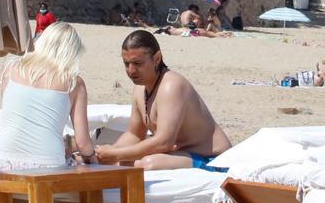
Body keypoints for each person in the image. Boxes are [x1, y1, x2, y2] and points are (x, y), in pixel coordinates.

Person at [95, 31, 232, 171]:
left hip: (215, 160)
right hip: (183, 154)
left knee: (147, 164)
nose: (131, 70)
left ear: (157, 58)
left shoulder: (171, 86)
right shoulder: (139, 89)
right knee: (126, 161)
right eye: (126, 63)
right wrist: (105, 154)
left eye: (137, 63)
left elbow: (164, 142)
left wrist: (116, 155)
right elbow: (134, 134)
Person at [0, 22, 95, 170]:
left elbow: (11, 114)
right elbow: (83, 143)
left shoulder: (11, 70)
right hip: (47, 166)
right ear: (72, 53)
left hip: (0, 161)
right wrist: (92, 156)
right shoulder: (73, 82)